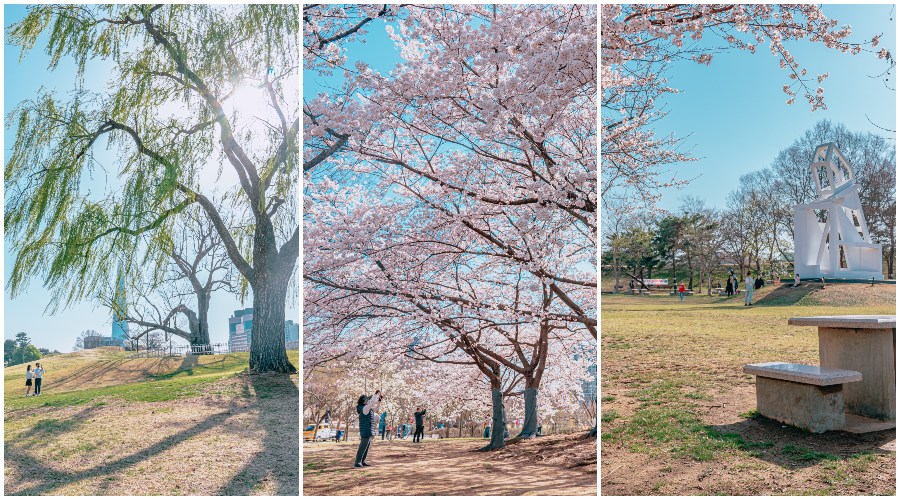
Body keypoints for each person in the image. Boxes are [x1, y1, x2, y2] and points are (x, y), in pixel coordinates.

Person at [354, 390, 382, 468]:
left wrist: (379, 400)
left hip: (369, 430)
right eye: (368, 400)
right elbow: (373, 403)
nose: (370, 401)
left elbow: (376, 408)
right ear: (365, 401)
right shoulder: (365, 408)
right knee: (363, 447)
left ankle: (363, 461)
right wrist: (376, 394)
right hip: (366, 430)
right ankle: (357, 462)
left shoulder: (368, 408)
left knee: (367, 447)